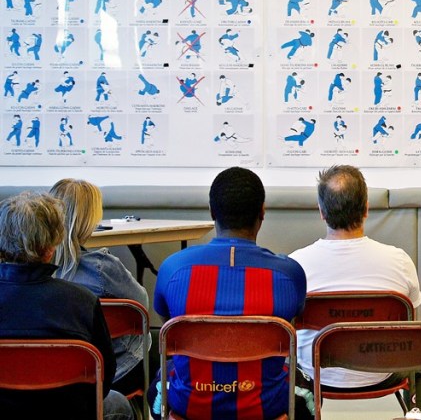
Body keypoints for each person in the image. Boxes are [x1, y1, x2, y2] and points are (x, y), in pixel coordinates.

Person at [151, 167, 309, 420]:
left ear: (212, 212)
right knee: (305, 385)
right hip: (267, 406)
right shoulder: (289, 274)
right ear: (262, 213)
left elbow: (168, 332)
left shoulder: (173, 268)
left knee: (159, 380)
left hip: (189, 406)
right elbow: (293, 324)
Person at [289, 165, 421, 419]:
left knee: (285, 360)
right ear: (366, 208)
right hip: (384, 370)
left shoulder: (296, 265)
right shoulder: (399, 260)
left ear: (322, 212)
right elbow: (411, 322)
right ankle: (418, 415)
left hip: (315, 373)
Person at [0, 192, 133, 420]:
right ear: (51, 246)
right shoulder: (82, 301)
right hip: (67, 410)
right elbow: (104, 377)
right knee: (119, 403)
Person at [48, 179, 150, 398]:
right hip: (113, 374)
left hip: (48, 375)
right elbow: (142, 308)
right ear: (90, 219)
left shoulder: (31, 272)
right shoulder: (102, 267)